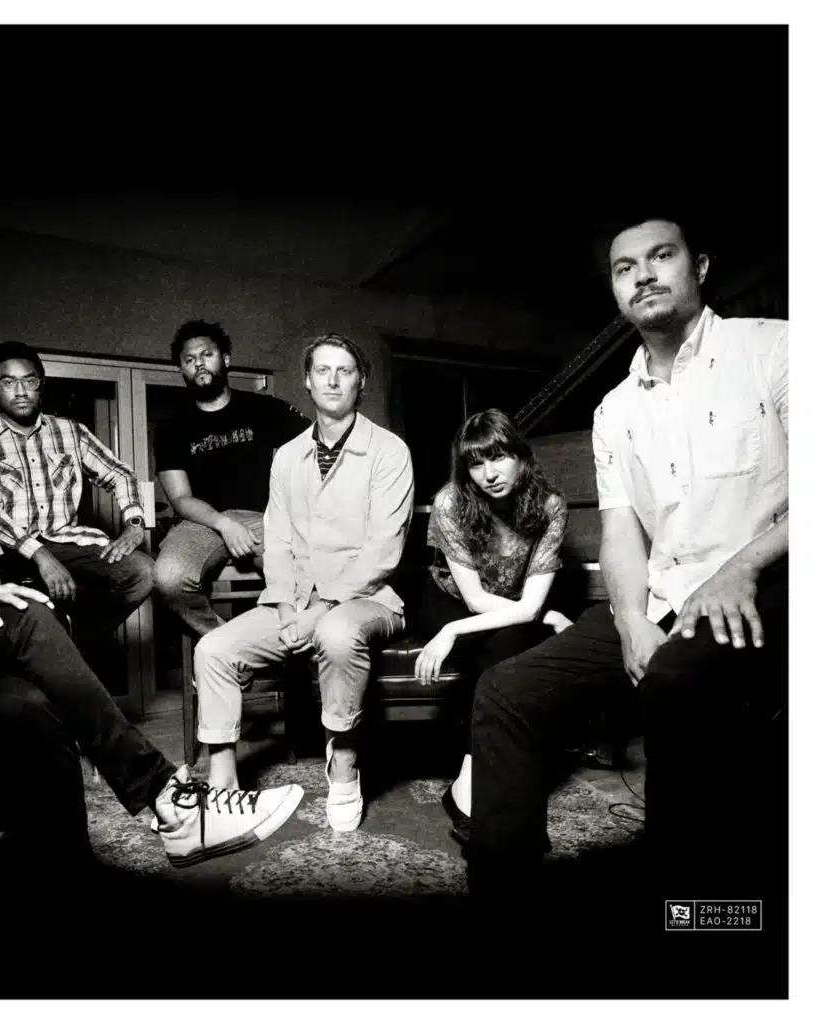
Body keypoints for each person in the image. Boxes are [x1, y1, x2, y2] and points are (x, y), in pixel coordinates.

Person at [0, 329, 304, 874]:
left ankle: (72, 877)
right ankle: (168, 795)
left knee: (33, 700)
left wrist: (128, 529)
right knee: (27, 612)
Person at [465, 216, 788, 906]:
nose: (643, 275)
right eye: (624, 267)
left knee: (673, 682)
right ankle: (503, 904)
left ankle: (684, 908)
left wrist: (741, 568)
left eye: (661, 255)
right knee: (506, 692)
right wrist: (631, 620)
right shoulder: (613, 409)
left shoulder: (778, 348)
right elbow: (620, 533)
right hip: (665, 597)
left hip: (770, 583)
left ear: (699, 266)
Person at [193, 333, 414, 831]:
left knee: (336, 633)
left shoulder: (389, 451)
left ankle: (344, 762)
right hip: (295, 600)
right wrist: (287, 608)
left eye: (345, 371)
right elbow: (278, 540)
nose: (333, 380)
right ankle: (224, 783)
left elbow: (383, 550)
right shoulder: (288, 455)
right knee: (213, 650)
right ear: (308, 382)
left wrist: (320, 609)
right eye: (323, 371)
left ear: (361, 382)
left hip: (369, 599)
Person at [409, 409, 572, 844]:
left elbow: (528, 606)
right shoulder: (450, 502)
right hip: (449, 600)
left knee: (507, 646)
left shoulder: (550, 506)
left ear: (521, 457)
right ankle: (485, 789)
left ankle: (469, 785)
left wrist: (537, 612)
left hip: (513, 606)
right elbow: (475, 601)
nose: (489, 474)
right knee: (499, 642)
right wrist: (452, 628)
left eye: (499, 457)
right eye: (476, 464)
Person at [0, 341, 155, 690]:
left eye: (29, 381)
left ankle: (69, 649)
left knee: (141, 571)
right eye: (8, 382)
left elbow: (121, 474)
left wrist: (135, 524)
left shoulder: (70, 432)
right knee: (7, 629)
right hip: (8, 552)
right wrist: (41, 556)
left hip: (68, 542)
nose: (20, 391)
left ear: (41, 384)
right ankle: (49, 660)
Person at [153, 320, 310, 636]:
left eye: (207, 354)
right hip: (202, 523)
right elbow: (181, 498)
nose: (199, 363)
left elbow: (315, 450)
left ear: (225, 359)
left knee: (304, 577)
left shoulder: (265, 408)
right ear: (181, 369)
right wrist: (224, 524)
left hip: (264, 519)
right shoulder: (172, 428)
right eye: (189, 359)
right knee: (168, 578)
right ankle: (224, 645)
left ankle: (288, 647)